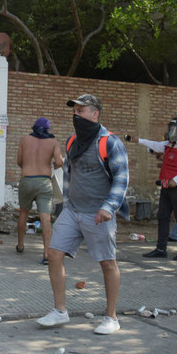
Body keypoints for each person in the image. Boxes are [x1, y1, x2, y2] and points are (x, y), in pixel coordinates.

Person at [37, 94, 129, 335]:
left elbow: (121, 178)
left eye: (81, 111)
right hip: (73, 211)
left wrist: (109, 207)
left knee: (108, 263)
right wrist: (66, 204)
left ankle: (111, 317)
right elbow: (69, 175)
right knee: (54, 253)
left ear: (95, 113)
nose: (75, 115)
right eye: (74, 111)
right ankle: (60, 311)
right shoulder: (71, 142)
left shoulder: (110, 142)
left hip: (99, 213)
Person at [128, 118, 177, 260]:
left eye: (174, 129)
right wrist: (138, 140)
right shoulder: (170, 144)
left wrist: (176, 179)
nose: (171, 131)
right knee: (163, 217)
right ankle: (161, 249)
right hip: (166, 187)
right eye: (170, 128)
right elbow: (154, 144)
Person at [16, 117, 63, 264]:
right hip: (44, 182)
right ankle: (46, 254)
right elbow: (60, 162)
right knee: (45, 217)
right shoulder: (53, 142)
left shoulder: (25, 139)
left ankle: (20, 245)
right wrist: (53, 164)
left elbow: (19, 161)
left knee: (24, 212)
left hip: (27, 180)